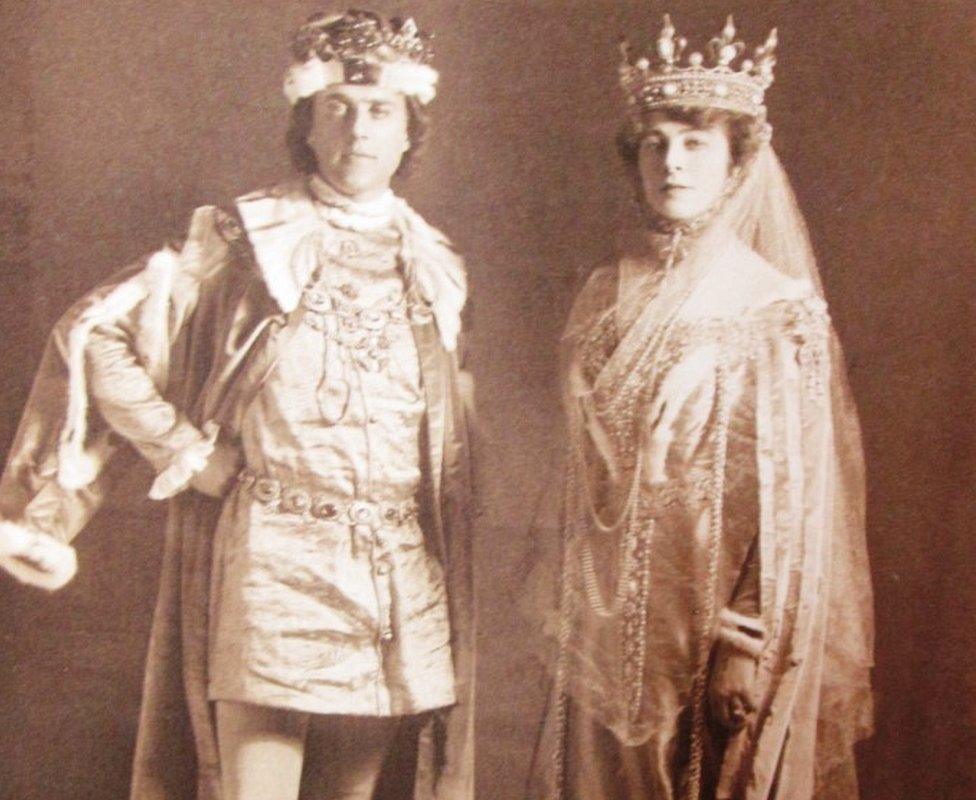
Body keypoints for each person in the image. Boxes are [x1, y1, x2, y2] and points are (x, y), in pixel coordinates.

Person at [0, 9, 473, 800]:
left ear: (408, 130)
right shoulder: (247, 237)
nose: (359, 129)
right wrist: (183, 450)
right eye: (338, 108)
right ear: (308, 123)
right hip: (275, 557)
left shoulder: (435, 265)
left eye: (380, 110)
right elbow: (95, 336)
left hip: (395, 571)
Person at [527, 14, 873, 800]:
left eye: (696, 144)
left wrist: (744, 639)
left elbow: (795, 496)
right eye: (656, 142)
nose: (672, 162)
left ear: (737, 162)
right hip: (607, 620)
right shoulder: (602, 295)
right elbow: (587, 480)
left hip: (711, 620)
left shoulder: (774, 306)